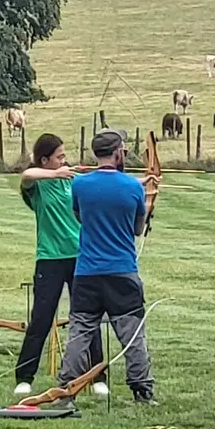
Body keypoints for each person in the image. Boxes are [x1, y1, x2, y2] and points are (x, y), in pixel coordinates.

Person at [56, 128, 158, 407]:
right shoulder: (133, 187)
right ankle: (142, 391)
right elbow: (137, 228)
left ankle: (65, 391)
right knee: (133, 336)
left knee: (79, 334)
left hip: (87, 273)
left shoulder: (80, 185)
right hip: (122, 272)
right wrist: (147, 203)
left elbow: (80, 216)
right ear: (117, 153)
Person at [14, 133, 107, 397]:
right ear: (45, 160)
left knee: (88, 317)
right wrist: (56, 174)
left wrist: (143, 184)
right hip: (50, 259)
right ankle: (24, 378)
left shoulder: (73, 182)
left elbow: (105, 184)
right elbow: (26, 176)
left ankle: (97, 376)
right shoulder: (38, 187)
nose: (64, 161)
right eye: (59, 157)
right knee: (41, 319)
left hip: (81, 258)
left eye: (65, 156)